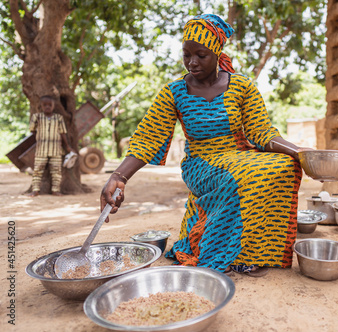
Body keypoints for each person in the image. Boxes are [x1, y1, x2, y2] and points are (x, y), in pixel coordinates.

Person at [100, 14, 312, 277]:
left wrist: (299, 152)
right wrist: (119, 176)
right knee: (234, 178)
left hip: (238, 155)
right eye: (186, 54)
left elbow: (261, 131)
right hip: (201, 162)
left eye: (201, 55)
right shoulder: (174, 92)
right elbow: (148, 138)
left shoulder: (242, 87)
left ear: (216, 52)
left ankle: (256, 252)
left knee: (285, 166)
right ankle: (222, 254)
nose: (192, 62)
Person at [27, 95, 74, 197]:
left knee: (56, 171)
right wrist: (39, 139)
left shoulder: (58, 118)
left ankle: (55, 190)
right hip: (41, 150)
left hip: (56, 150)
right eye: (45, 105)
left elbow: (62, 133)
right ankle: (35, 190)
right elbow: (32, 131)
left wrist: (67, 146)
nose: (47, 107)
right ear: (41, 106)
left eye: (50, 105)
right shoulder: (37, 117)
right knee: (37, 170)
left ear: (53, 106)